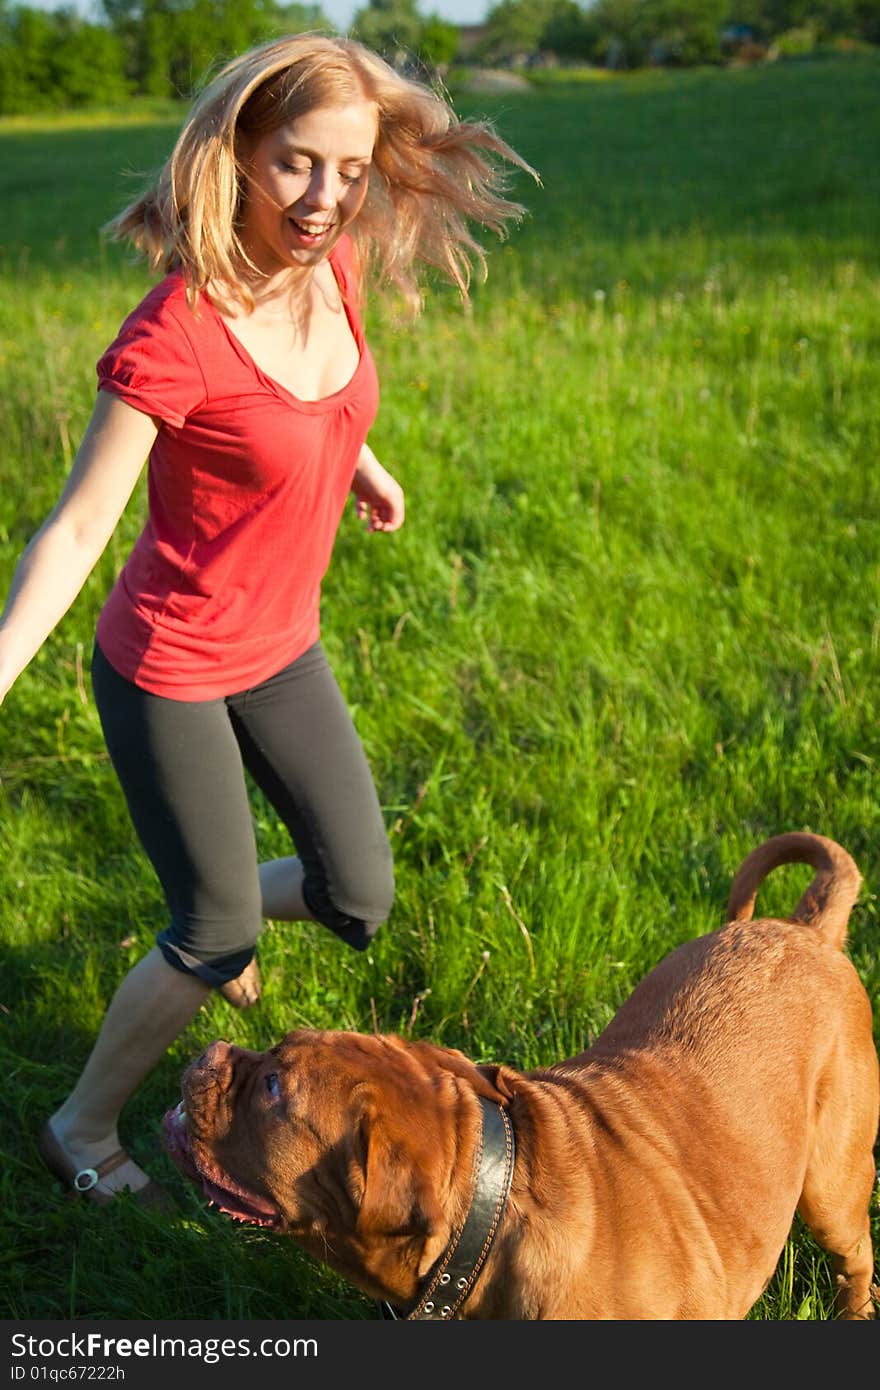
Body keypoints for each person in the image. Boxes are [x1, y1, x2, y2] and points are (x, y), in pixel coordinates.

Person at [0, 33, 536, 1206]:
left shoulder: (326, 270)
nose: (325, 199)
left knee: (358, 894)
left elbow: (312, 392)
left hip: (281, 645)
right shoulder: (172, 335)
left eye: (348, 172)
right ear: (236, 151)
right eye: (298, 164)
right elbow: (80, 527)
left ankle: (222, 902)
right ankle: (82, 1128)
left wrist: (358, 461)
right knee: (211, 927)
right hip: (172, 665)